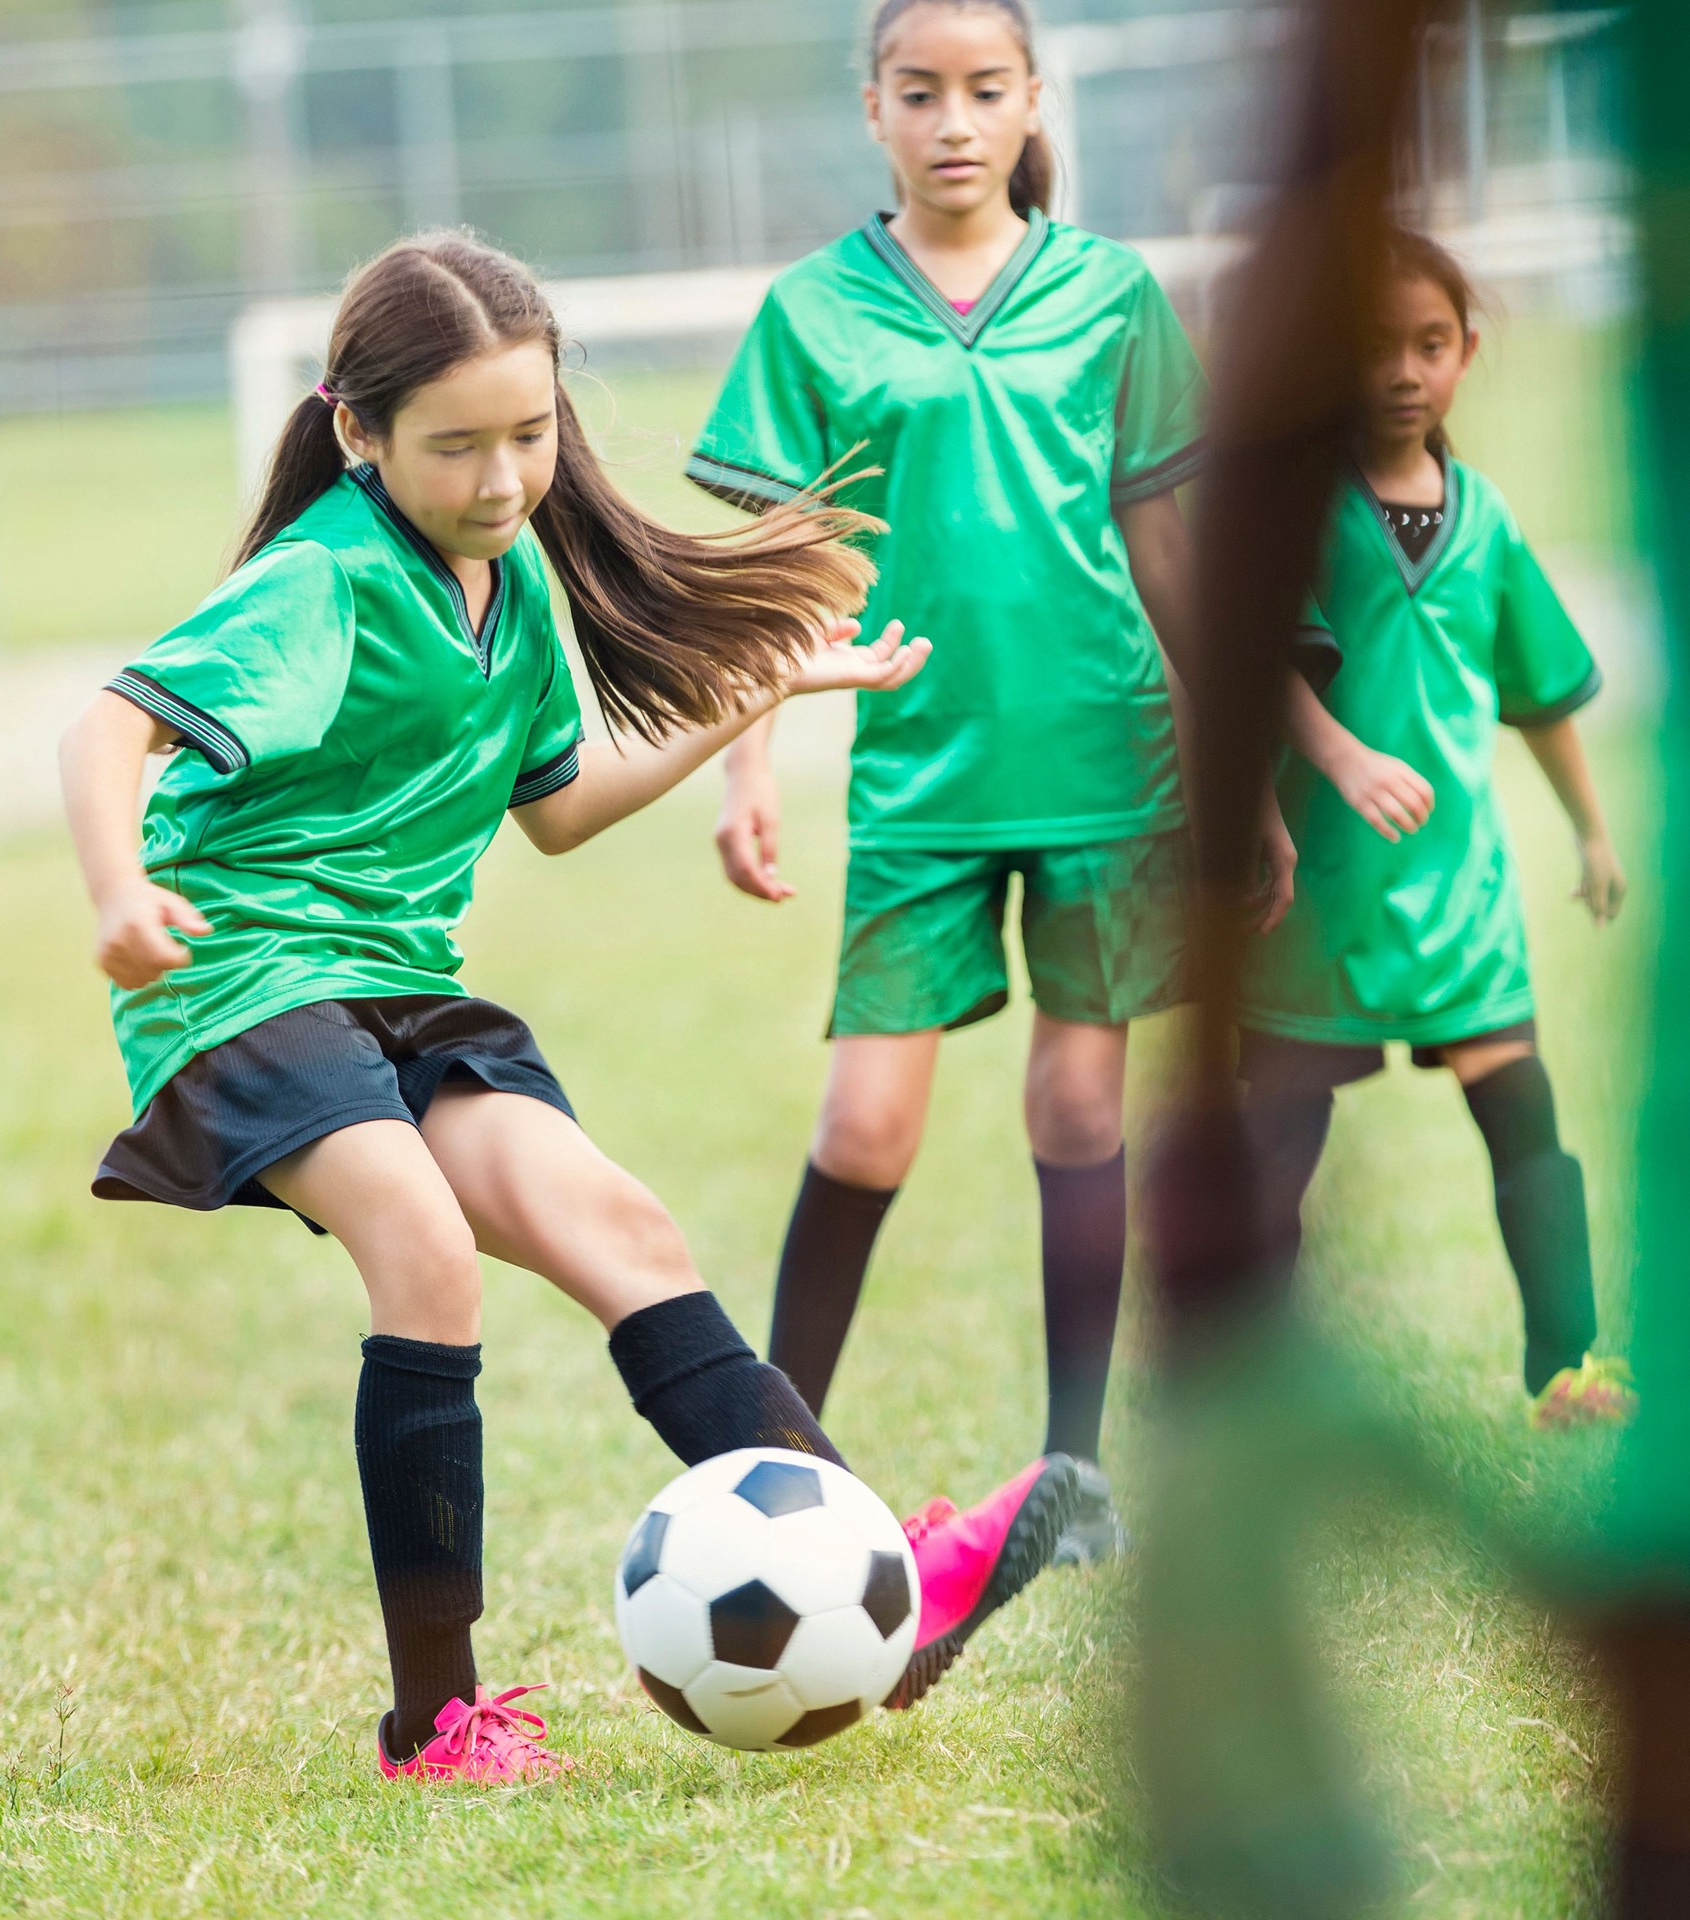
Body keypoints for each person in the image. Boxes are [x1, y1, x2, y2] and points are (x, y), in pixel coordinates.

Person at [60, 233, 1080, 1787]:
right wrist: (119, 897)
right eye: (457, 446)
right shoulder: (322, 577)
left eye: (529, 437)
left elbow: (561, 807)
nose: (500, 478)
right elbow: (109, 728)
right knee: (420, 1243)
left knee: (631, 1235)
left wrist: (763, 689)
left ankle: (893, 1563)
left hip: (400, 990)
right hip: (243, 975)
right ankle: (438, 1723)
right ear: (360, 431)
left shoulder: (512, 578)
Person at [691, 0, 1296, 1561]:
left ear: (1033, 103)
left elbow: (1166, 547)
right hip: (919, 773)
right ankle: (769, 1474)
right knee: (866, 1126)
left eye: (984, 90)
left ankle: (1071, 1476)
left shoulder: (1110, 295)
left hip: (1109, 760)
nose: (953, 121)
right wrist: (746, 765)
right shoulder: (812, 312)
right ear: (872, 109)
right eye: (919, 91)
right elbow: (784, 569)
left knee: (1082, 1099)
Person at [1238, 228, 1635, 1430]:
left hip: (1463, 895)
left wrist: (1592, 830)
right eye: (1370, 346)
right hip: (1316, 898)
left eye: (1429, 345)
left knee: (1526, 1122)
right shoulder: (1301, 512)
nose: (1403, 371)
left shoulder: (1489, 518)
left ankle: (1567, 1369)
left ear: (1467, 353)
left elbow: (1540, 688)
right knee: (1280, 1160)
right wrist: (1340, 762)